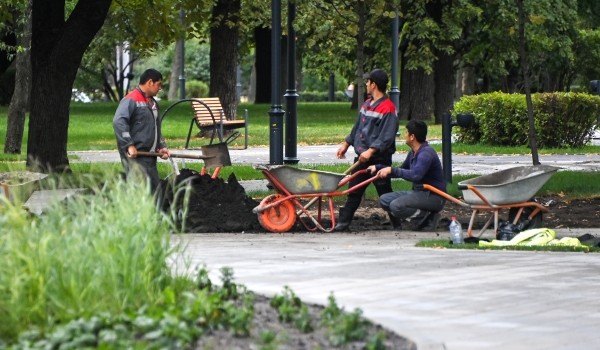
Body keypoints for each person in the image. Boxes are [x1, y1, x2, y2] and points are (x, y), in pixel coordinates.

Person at [335, 68, 399, 231]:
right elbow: (359, 127)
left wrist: (371, 151)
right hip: (362, 159)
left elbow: (386, 137)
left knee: (384, 193)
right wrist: (347, 143)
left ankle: (398, 223)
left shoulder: (388, 108)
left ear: (374, 85)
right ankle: (342, 224)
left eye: (368, 81)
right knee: (354, 192)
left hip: (379, 161)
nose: (366, 84)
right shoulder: (367, 104)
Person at [367, 120, 446, 231]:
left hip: (434, 196)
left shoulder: (426, 153)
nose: (404, 135)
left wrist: (391, 170)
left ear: (412, 136)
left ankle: (428, 218)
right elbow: (402, 170)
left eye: (406, 132)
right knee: (384, 200)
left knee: (396, 206)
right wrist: (379, 168)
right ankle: (424, 216)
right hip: (420, 193)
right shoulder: (413, 152)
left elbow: (415, 175)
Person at [113, 68, 170, 192]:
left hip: (150, 157)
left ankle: (155, 212)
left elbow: (155, 128)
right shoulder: (131, 99)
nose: (160, 88)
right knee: (139, 194)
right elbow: (119, 122)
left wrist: (161, 146)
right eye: (158, 84)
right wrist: (129, 145)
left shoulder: (153, 103)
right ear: (150, 82)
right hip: (136, 157)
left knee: (155, 193)